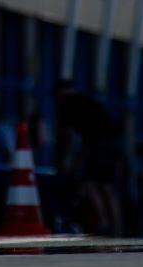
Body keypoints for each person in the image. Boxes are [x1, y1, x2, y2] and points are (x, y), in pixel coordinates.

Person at [52, 82, 122, 235]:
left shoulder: (67, 106)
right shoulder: (90, 102)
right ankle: (117, 224)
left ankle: (103, 222)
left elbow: (69, 136)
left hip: (95, 146)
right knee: (107, 187)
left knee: (89, 185)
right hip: (111, 145)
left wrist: (66, 160)